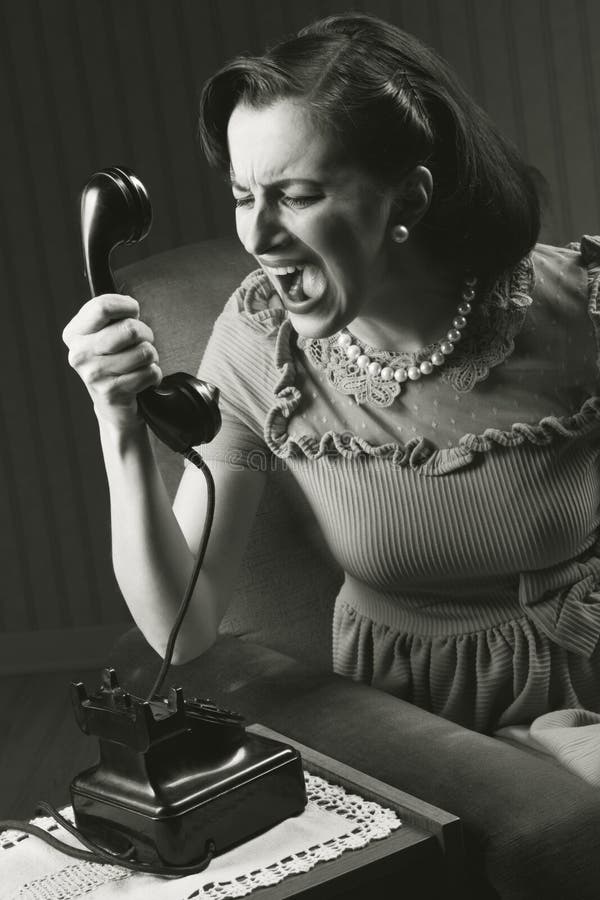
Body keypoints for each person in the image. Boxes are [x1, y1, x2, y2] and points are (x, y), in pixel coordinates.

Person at [62, 12, 600, 740]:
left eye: (298, 195)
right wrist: (116, 418)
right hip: (430, 740)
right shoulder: (259, 347)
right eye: (244, 196)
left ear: (407, 199)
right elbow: (179, 632)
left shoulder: (581, 304)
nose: (257, 234)